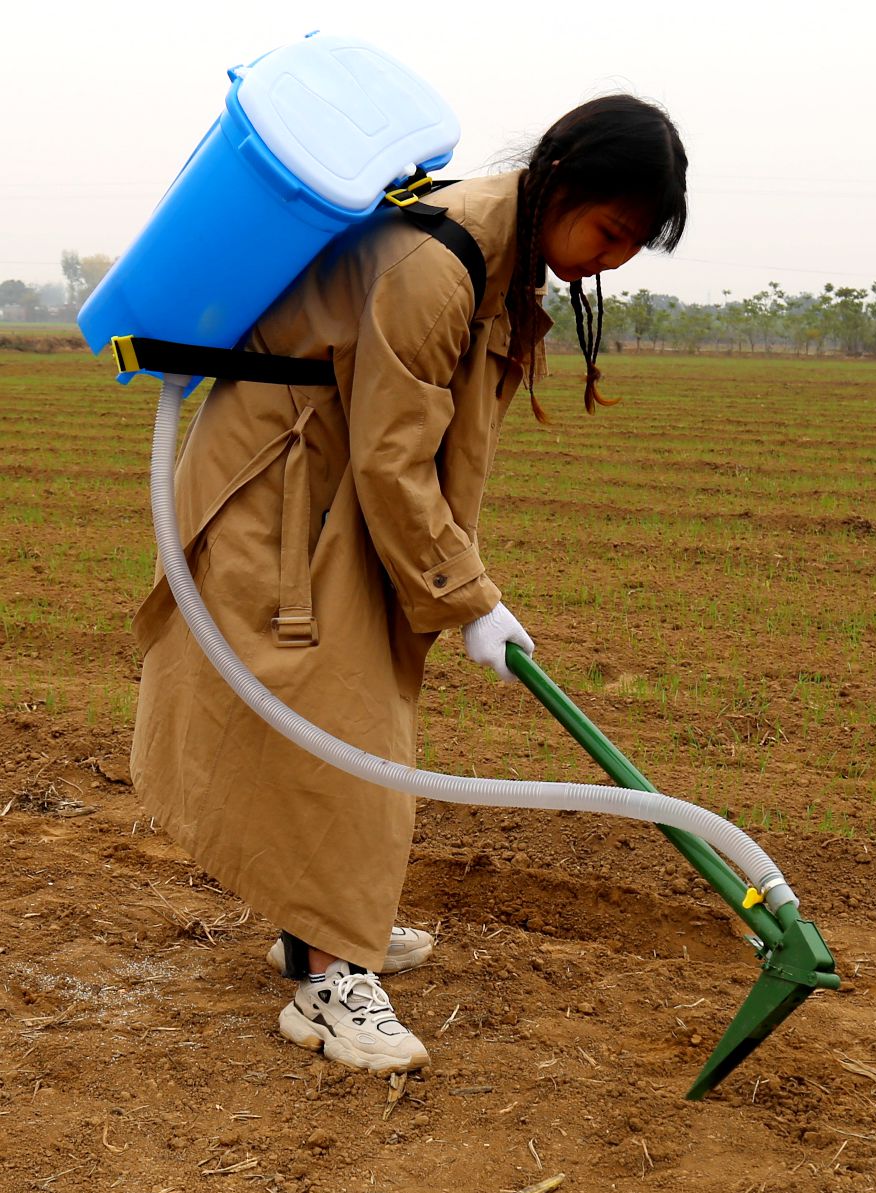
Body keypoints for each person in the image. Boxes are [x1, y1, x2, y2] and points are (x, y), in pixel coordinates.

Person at [129, 94, 689, 1074]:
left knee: (359, 706)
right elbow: (396, 461)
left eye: (634, 244)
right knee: (343, 718)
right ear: (560, 181)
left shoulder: (497, 253)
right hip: (284, 482)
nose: (614, 257)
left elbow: (423, 444)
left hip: (330, 476)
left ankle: (322, 925)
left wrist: (459, 587)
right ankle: (329, 982)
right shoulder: (439, 266)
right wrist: (467, 597)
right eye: (610, 230)